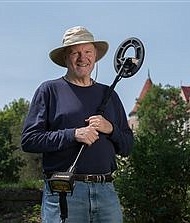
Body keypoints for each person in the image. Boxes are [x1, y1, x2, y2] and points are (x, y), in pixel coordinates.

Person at [21, 26, 133, 223]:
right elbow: (29, 140)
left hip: (106, 192)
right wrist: (73, 134)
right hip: (64, 193)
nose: (83, 58)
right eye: (75, 53)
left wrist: (111, 129)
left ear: (95, 55)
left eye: (88, 52)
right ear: (65, 57)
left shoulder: (110, 95)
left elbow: (128, 146)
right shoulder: (49, 91)